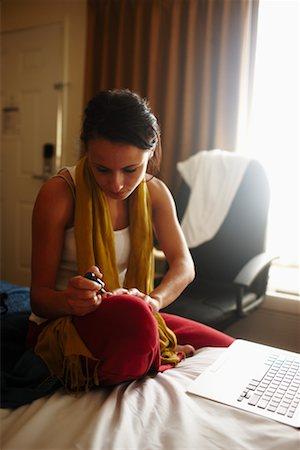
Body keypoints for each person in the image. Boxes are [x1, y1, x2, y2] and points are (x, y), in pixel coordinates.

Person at [28, 89, 233, 391]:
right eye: (102, 169)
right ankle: (150, 352)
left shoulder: (156, 193)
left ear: (150, 154)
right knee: (132, 314)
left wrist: (155, 300)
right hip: (65, 323)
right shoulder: (59, 194)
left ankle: (143, 341)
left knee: (231, 348)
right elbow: (39, 299)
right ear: (86, 151)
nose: (117, 184)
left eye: (131, 169)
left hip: (130, 316)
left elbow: (183, 265)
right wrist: (69, 301)